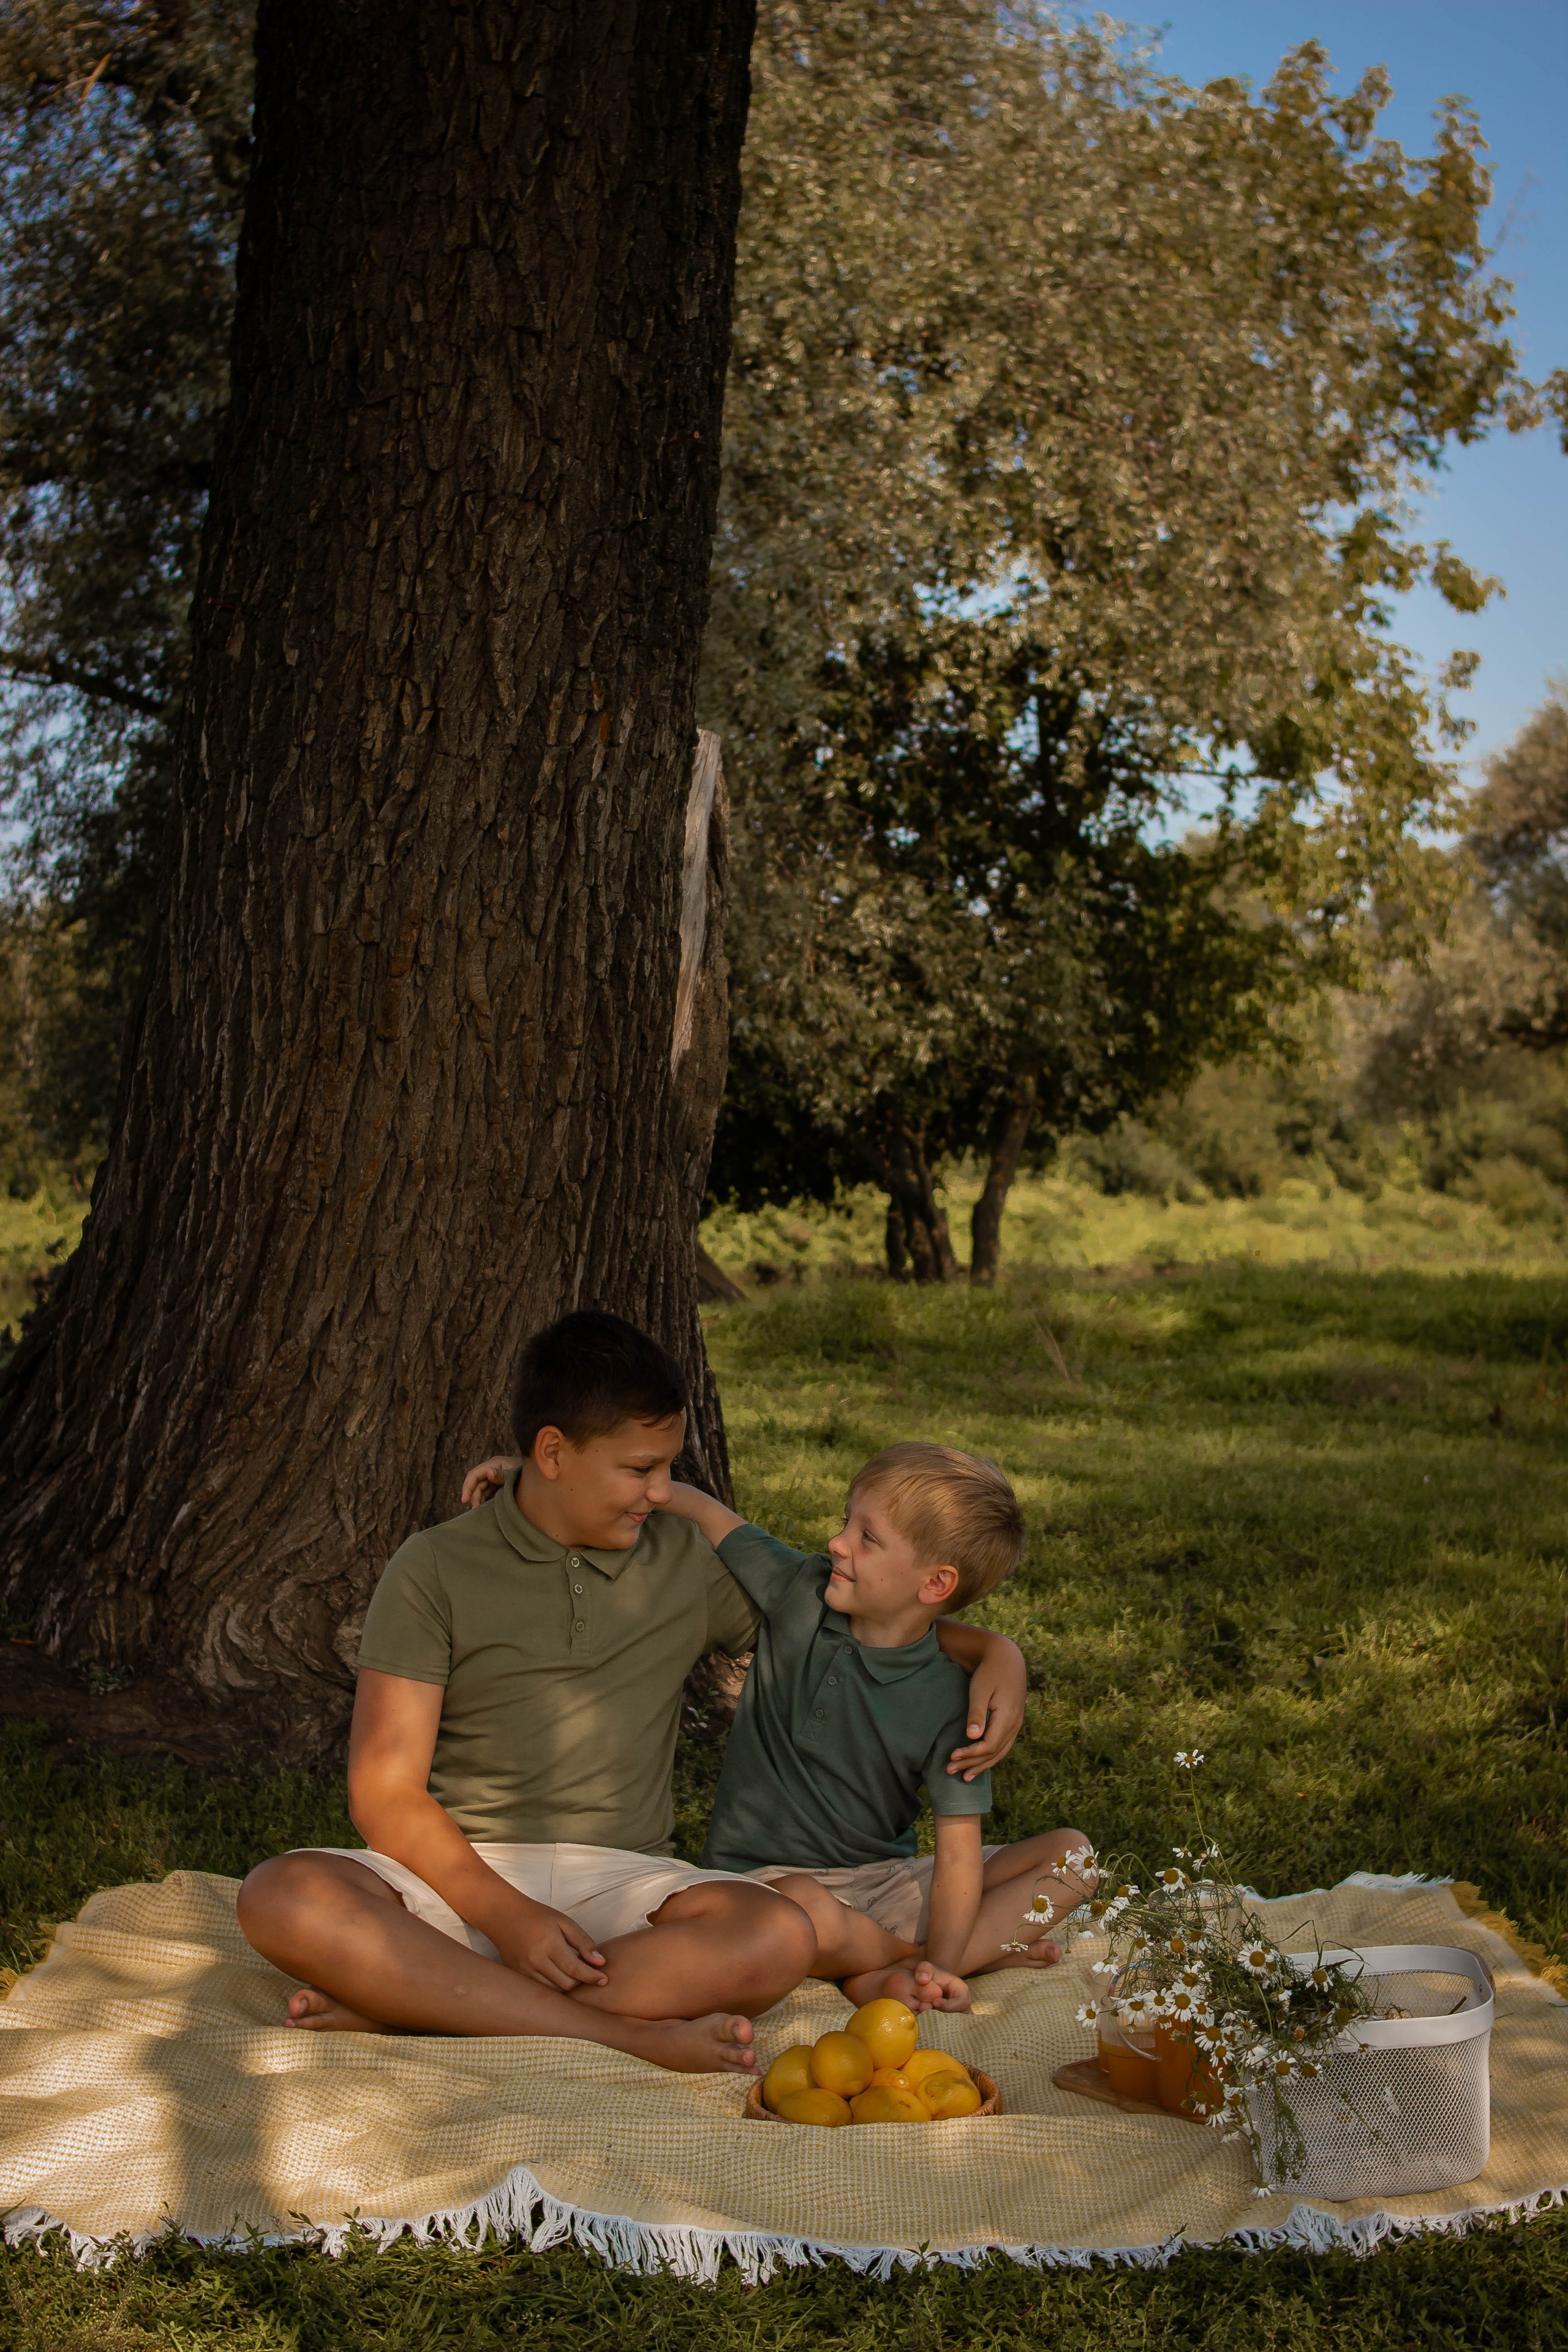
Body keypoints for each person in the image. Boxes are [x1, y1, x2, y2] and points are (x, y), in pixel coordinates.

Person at [236, 1314, 1027, 2073]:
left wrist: (994, 1650)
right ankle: (625, 2035)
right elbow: (383, 1792)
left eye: (666, 1470)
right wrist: (507, 1918)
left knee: (775, 1934)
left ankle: (429, 2005)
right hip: (457, 1868)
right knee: (282, 1896)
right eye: (639, 1469)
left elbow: (860, 1619)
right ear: (552, 1453)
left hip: (625, 1885)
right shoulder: (434, 1567)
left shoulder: (684, 1560)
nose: (659, 1492)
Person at [656, 1443, 1096, 2013]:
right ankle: (914, 1965)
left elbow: (959, 1860)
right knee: (803, 1907)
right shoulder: (801, 1593)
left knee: (1074, 1857)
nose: (837, 1542)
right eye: (848, 1522)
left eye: (868, 1537)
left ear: (935, 1585)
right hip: (764, 1888)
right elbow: (706, 1511)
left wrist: (946, 1950)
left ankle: (923, 1967)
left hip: (887, 1885)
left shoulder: (954, 1699)